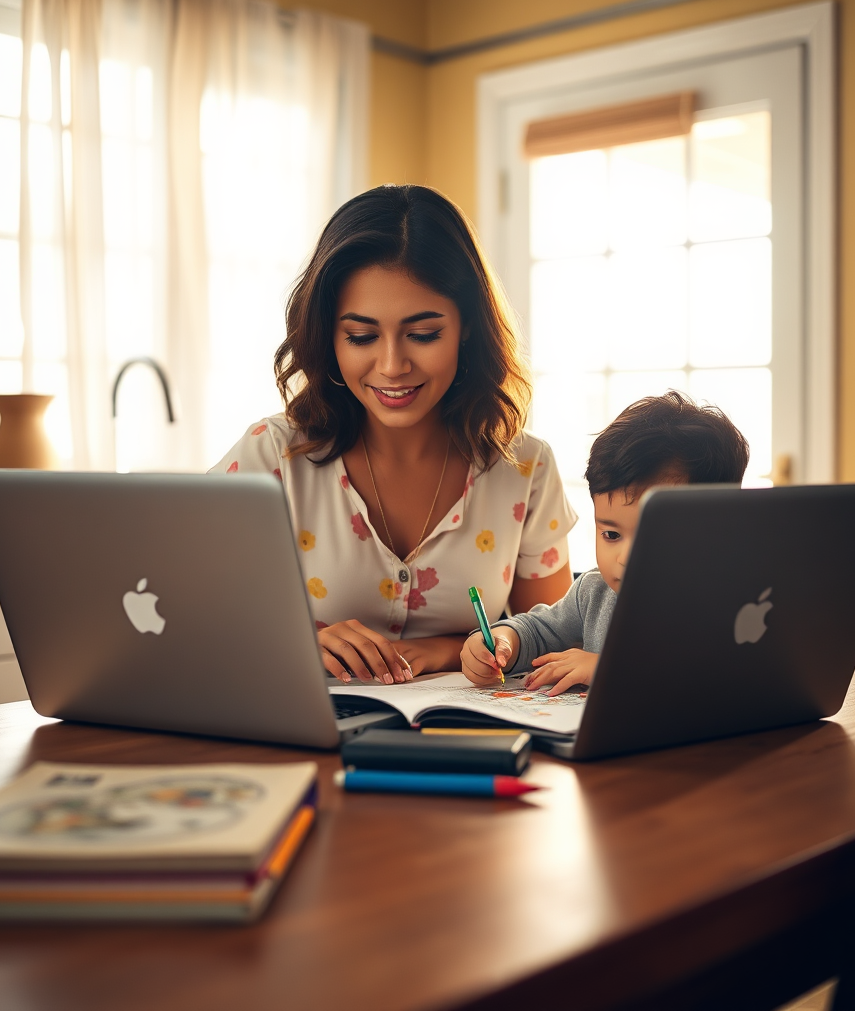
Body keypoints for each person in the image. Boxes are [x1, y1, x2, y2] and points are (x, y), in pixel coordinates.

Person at [211, 185, 576, 685]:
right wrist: (294, 644)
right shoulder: (272, 457)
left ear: (467, 326)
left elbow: (554, 642)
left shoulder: (526, 469)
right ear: (328, 334)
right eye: (360, 337)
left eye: (423, 334)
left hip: (465, 741)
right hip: (304, 739)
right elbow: (192, 619)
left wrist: (439, 651)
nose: (391, 366)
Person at [460, 391, 750, 695]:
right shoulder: (594, 594)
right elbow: (540, 630)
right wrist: (503, 640)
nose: (624, 557)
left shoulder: (728, 601)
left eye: (652, 535)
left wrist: (607, 667)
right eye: (611, 535)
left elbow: (710, 670)